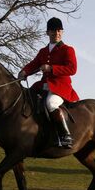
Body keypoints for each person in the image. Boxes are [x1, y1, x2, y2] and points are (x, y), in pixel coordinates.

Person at [18, 17, 78, 149]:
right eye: (53, 31)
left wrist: (51, 68)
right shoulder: (43, 51)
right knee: (26, 98)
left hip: (61, 87)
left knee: (51, 103)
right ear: (47, 33)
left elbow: (72, 69)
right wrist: (24, 72)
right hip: (43, 85)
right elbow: (33, 64)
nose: (56, 33)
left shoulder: (68, 50)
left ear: (62, 32)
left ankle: (65, 136)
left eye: (58, 31)